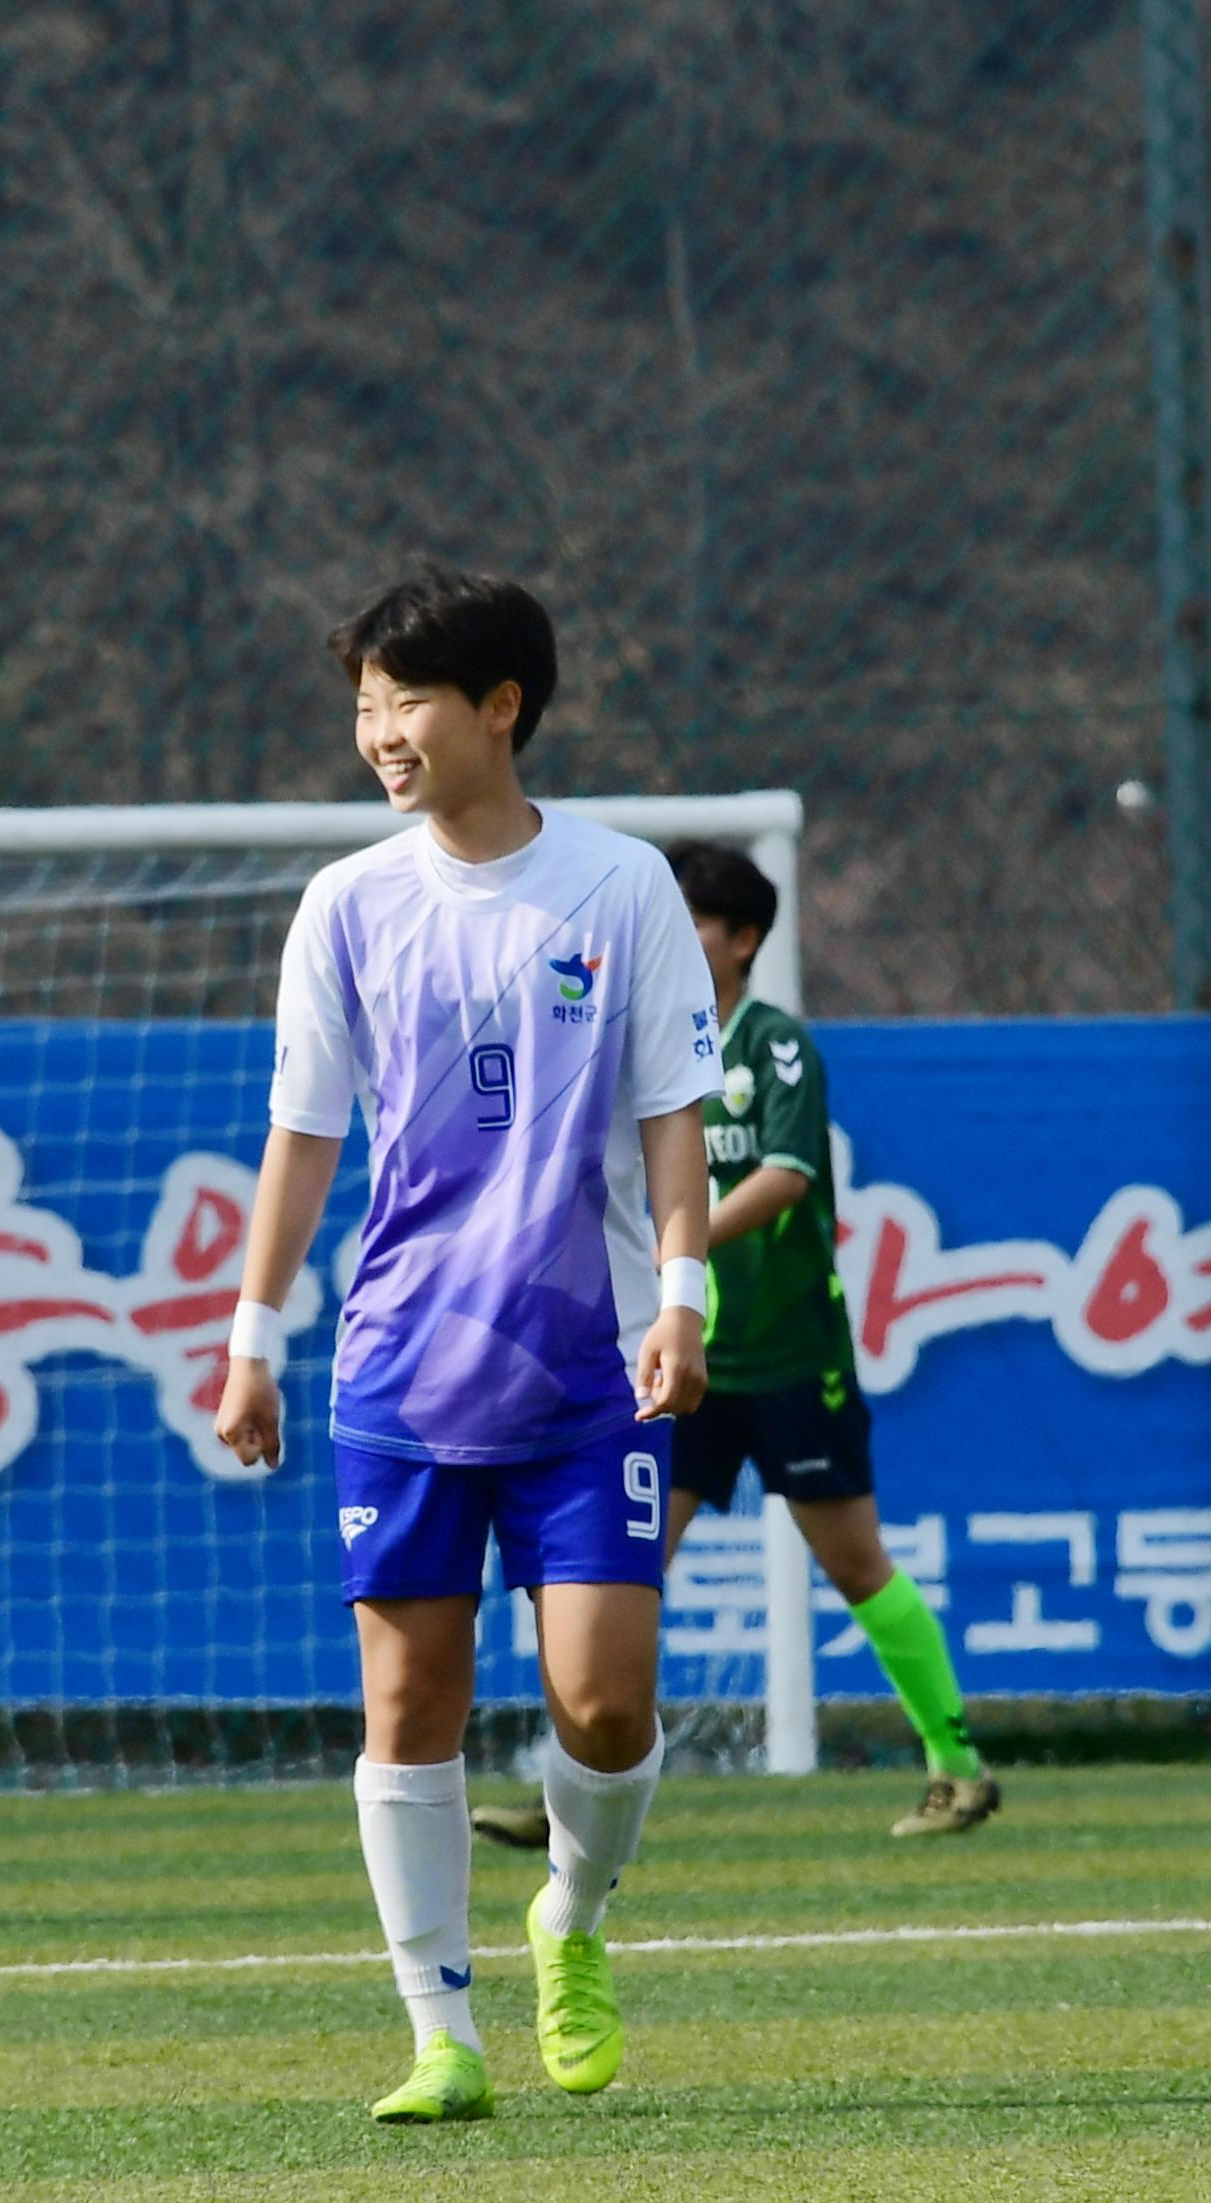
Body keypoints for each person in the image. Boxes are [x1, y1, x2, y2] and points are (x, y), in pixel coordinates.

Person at [217, 566, 719, 2124]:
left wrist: (687, 1301)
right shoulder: (348, 905)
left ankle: (569, 1910)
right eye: (363, 705)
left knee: (605, 1701)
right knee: (409, 1704)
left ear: (502, 707)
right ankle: (441, 2034)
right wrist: (253, 1340)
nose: (380, 732)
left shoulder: (622, 886)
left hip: (591, 1370)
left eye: (408, 699)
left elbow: (672, 1125)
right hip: (402, 1370)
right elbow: (303, 1138)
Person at [479, 845, 996, 1846]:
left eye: (691, 916)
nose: (666, 930)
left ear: (742, 937)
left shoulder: (774, 1045)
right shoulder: (640, 1046)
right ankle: (572, 1797)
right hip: (683, 1363)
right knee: (614, 1571)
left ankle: (959, 1764)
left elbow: (789, 1174)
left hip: (793, 1356)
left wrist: (677, 1242)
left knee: (855, 1565)